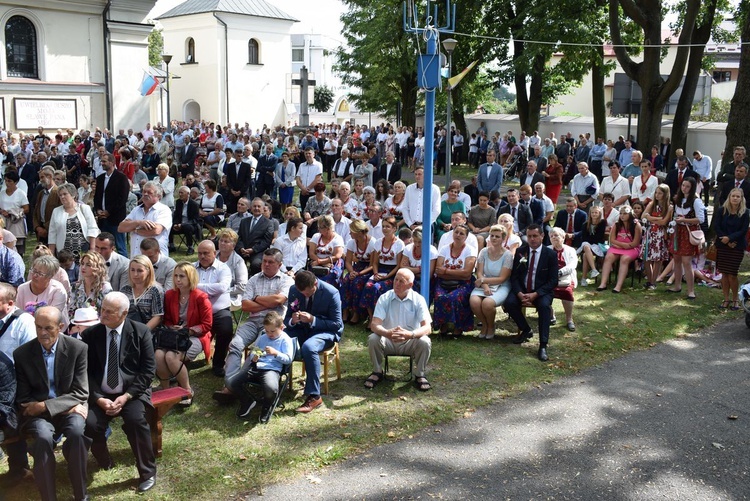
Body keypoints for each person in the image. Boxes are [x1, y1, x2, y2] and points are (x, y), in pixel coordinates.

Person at [80, 292, 157, 493]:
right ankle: (103, 458)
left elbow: (148, 371)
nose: (102, 314)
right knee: (90, 424)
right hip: (100, 393)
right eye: (102, 309)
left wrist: (127, 396)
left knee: (136, 421)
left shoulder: (140, 332)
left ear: (124, 314)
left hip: (132, 393)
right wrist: (97, 399)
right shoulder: (90, 335)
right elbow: (84, 372)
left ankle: (147, 473)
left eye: (109, 311)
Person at [15, 307, 90, 501]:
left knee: (76, 433)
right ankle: (48, 496)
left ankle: (81, 494)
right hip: (40, 414)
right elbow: (24, 400)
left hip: (67, 410)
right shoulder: (22, 354)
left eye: (48, 328)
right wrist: (60, 405)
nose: (42, 333)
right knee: (42, 438)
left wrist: (46, 405)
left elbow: (81, 392)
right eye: (38, 327)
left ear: (61, 327)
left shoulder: (77, 348)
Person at [217, 249, 293, 402]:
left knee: (256, 351)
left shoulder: (286, 281)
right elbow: (245, 305)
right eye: (264, 261)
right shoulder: (254, 279)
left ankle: (234, 385)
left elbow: (278, 300)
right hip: (253, 321)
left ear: (279, 264)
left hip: (272, 326)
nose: (265, 264)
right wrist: (268, 302)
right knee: (235, 344)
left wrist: (256, 298)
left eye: (270, 262)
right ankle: (231, 383)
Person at [284, 270, 343, 413]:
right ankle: (272, 381)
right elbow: (287, 318)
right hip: (302, 328)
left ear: (314, 284)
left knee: (309, 347)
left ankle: (314, 395)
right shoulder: (294, 289)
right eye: (301, 292)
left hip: (325, 331)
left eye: (306, 293)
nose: (303, 295)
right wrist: (293, 320)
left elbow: (336, 324)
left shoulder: (331, 293)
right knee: (278, 337)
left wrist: (313, 320)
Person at [364, 268, 433, 391]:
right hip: (388, 340)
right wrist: (387, 333)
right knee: (373, 338)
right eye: (396, 279)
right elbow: (374, 325)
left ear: (410, 285)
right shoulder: (384, 298)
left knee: (425, 341)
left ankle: (419, 374)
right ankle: (377, 371)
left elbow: (427, 328)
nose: (397, 283)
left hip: (410, 342)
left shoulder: (418, 299)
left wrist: (410, 334)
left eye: (401, 281)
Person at [156, 262, 213, 401]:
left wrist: (189, 330)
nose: (178, 280)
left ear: (191, 278)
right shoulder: (170, 295)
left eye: (182, 276)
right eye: (175, 276)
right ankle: (166, 390)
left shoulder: (201, 297)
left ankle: (187, 389)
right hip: (174, 336)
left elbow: (207, 325)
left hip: (195, 337)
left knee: (171, 356)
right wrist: (172, 327)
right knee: (158, 355)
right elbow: (167, 319)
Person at [227, 311, 293, 423]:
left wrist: (275, 353)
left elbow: (288, 359)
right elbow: (255, 351)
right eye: (267, 331)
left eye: (272, 331)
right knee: (232, 382)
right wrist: (255, 356)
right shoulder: (263, 337)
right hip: (256, 367)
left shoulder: (285, 340)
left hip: (271, 369)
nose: (269, 334)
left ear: (281, 327)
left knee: (271, 389)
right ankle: (247, 401)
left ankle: (267, 407)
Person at [505, 224, 559, 362]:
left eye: (535, 236)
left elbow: (553, 280)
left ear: (542, 236)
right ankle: (526, 329)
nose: (532, 239)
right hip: (522, 289)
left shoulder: (550, 254)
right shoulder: (520, 252)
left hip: (542, 291)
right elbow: (514, 276)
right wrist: (518, 293)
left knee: (544, 307)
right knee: (509, 303)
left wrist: (536, 294)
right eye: (529, 236)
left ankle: (542, 345)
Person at [194, 240, 233, 377]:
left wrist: (196, 286)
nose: (202, 256)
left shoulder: (223, 268)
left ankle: (218, 364)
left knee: (226, 330)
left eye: (206, 253)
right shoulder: (192, 268)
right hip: (196, 310)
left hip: (219, 310)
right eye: (199, 253)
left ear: (214, 253)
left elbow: (222, 287)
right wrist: (212, 288)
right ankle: (182, 359)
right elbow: (184, 285)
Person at [433, 224, 477, 337]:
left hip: (463, 283)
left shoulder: (470, 250)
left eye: (461, 233)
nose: (458, 235)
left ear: (466, 237)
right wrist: (458, 273)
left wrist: (446, 272)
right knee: (440, 296)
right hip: (443, 282)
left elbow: (467, 274)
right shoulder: (444, 249)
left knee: (454, 297)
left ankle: (459, 326)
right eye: (456, 232)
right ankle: (443, 324)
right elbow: (438, 270)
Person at [470, 224, 513, 339]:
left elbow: (502, 278)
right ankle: (485, 325)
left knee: (487, 303)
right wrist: (484, 285)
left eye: (497, 236)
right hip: (484, 284)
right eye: (492, 236)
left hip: (501, 285)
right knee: (474, 301)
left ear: (503, 239)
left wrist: (483, 280)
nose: (494, 238)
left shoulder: (508, 255)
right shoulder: (483, 251)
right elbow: (479, 272)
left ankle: (491, 326)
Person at [360, 216, 404, 323]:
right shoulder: (378, 242)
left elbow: (399, 265)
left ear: (394, 228)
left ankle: (380, 317)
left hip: (392, 272)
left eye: (388, 227)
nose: (384, 229)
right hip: (379, 270)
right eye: (383, 226)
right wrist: (375, 273)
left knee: (377, 287)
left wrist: (387, 276)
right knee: (368, 286)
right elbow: (374, 263)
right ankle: (371, 317)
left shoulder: (399, 244)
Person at [668, 176, 705, 299]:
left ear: (692, 187)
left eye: (687, 186)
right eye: (683, 185)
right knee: (676, 259)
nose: (684, 188)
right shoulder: (678, 199)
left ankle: (691, 290)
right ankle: (677, 285)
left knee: (686, 262)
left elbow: (700, 219)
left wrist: (684, 220)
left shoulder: (696, 201)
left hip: (689, 232)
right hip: (678, 231)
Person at [715, 188, 749, 310]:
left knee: (732, 274)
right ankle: (726, 299)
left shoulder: (746, 213)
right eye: (733, 196)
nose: (735, 198)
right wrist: (725, 240)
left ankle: (735, 300)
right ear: (729, 197)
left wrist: (730, 238)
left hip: (737, 246)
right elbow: (717, 227)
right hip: (723, 245)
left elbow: (743, 230)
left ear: (741, 198)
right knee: (724, 273)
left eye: (737, 196)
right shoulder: (721, 211)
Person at [118, 181, 172, 258]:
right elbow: (121, 227)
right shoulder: (136, 210)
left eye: (149, 192)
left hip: (155, 259)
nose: (145, 194)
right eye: (144, 191)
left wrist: (134, 230)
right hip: (135, 257)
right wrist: (139, 223)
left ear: (159, 196)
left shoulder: (163, 210)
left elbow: (156, 230)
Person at [596, 206, 643, 293]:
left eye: (625, 213)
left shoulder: (636, 225)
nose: (622, 216)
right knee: (608, 258)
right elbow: (612, 239)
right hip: (617, 247)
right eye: (621, 213)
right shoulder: (616, 224)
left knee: (624, 259)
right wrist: (621, 245)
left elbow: (636, 243)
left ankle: (618, 286)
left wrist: (625, 246)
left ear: (630, 214)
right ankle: (603, 284)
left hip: (631, 248)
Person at [94, 153, 130, 256]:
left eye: (104, 161)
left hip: (116, 219)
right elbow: (97, 197)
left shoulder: (121, 178)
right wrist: (98, 210)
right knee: (103, 246)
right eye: (101, 161)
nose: (102, 163)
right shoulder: (100, 178)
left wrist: (109, 211)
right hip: (102, 219)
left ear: (112, 162)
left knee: (120, 246)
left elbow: (122, 199)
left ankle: (124, 268)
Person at [17, 255, 69, 325]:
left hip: (52, 328)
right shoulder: (22, 289)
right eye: (34, 271)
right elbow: (18, 313)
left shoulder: (58, 290)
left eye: (40, 274)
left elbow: (52, 317)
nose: (35, 275)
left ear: (50, 276)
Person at [341, 220, 376, 324]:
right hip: (357, 267)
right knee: (346, 280)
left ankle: (357, 312)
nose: (350, 233)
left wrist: (359, 274)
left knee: (357, 282)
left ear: (359, 232)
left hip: (368, 269)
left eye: (352, 231)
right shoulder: (351, 242)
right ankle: (346, 310)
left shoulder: (372, 242)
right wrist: (351, 272)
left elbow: (372, 265)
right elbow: (348, 261)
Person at [120, 254, 164, 331]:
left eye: (140, 271)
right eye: (132, 270)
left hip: (148, 331)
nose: (135, 274)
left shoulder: (155, 290)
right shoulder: (125, 289)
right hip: (127, 330)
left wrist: (142, 332)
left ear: (148, 271)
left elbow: (158, 317)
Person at [642, 184, 673, 290]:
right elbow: (643, 216)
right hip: (649, 232)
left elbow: (664, 221)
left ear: (665, 194)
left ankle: (654, 281)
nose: (657, 195)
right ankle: (649, 280)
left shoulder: (669, 207)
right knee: (647, 257)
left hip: (660, 234)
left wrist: (650, 218)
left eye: (660, 193)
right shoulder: (651, 204)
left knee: (658, 259)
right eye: (656, 192)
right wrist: (656, 219)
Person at [67, 251, 112, 322]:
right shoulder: (74, 287)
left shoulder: (105, 287)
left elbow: (107, 313)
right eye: (82, 264)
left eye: (88, 265)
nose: (83, 267)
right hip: (77, 325)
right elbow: (70, 311)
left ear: (97, 267)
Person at [547, 227, 578, 331]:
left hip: (566, 277)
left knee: (567, 292)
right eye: (551, 236)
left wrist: (559, 272)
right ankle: (551, 315)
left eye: (556, 235)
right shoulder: (547, 249)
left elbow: (572, 265)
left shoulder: (570, 250)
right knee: (544, 292)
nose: (554, 238)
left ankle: (569, 319)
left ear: (563, 237)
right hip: (550, 278)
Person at [236, 197, 274, 275]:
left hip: (258, 251)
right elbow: (239, 237)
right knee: (234, 261)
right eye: (254, 206)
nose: (256, 208)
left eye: (259, 206)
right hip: (243, 250)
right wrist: (241, 248)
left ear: (263, 209)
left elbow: (267, 241)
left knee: (256, 264)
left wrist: (253, 250)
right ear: (250, 208)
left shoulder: (268, 223)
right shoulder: (244, 221)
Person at [308, 215, 345, 287]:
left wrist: (321, 262)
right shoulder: (316, 236)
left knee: (330, 276)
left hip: (332, 263)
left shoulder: (338, 238)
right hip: (315, 262)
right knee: (311, 277)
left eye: (321, 227)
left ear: (328, 228)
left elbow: (337, 256)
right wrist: (321, 263)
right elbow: (311, 253)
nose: (318, 229)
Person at [576, 206, 607, 286]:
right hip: (587, 245)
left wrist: (590, 240)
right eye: (592, 212)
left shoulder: (602, 223)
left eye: (596, 212)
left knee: (585, 255)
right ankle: (593, 269)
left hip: (597, 245)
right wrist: (589, 241)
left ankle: (584, 278)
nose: (594, 214)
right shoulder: (585, 224)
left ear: (599, 213)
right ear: (590, 214)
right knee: (586, 247)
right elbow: (584, 238)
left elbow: (599, 237)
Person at [403, 166, 441, 230]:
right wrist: (410, 224)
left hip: (427, 226)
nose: (417, 176)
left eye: (419, 174)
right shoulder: (409, 188)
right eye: (416, 174)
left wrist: (424, 225)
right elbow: (405, 208)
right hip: (411, 225)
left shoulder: (435, 189)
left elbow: (436, 210)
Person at [1, 170, 30, 254]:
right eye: (5, 180)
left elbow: (26, 208)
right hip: (3, 222)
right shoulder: (2, 194)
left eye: (9, 181)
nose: (7, 183)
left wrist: (11, 212)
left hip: (16, 222)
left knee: (16, 247)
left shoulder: (21, 194)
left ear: (15, 182)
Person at [215, 228, 249, 299]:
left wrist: (222, 291)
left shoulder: (238, 261)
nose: (222, 243)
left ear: (233, 246)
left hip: (229, 295)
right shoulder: (212, 256)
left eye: (226, 241)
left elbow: (242, 286)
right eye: (221, 240)